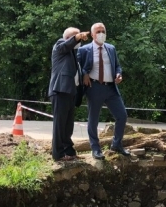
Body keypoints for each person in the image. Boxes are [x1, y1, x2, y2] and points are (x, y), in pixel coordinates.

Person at [77, 22, 131, 160]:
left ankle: (116, 145)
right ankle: (95, 148)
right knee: (93, 119)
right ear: (92, 34)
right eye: (98, 31)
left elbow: (117, 66)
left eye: (103, 31)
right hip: (94, 87)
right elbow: (77, 66)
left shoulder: (111, 48)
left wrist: (119, 74)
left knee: (122, 115)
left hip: (111, 88)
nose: (101, 34)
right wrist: (84, 73)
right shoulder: (84, 50)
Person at [48, 27, 89, 161]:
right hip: (60, 90)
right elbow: (65, 45)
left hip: (70, 91)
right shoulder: (59, 45)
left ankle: (69, 152)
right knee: (60, 125)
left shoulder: (73, 53)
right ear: (68, 38)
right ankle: (58, 155)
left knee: (68, 125)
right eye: (76, 37)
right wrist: (77, 37)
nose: (79, 40)